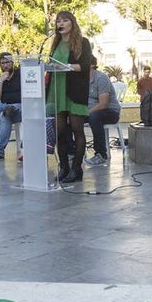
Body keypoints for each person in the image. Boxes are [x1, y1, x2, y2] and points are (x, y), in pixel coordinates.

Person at [48, 10, 93, 183]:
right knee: (60, 132)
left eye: (65, 20)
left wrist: (67, 66)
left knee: (77, 130)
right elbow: (52, 63)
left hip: (75, 91)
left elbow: (85, 65)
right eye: (58, 21)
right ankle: (64, 167)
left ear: (72, 23)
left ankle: (76, 169)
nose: (61, 23)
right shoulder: (55, 43)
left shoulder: (83, 42)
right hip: (57, 91)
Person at [83, 65, 122, 166]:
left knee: (94, 117)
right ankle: (72, 151)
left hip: (110, 111)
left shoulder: (101, 78)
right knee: (70, 118)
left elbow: (103, 104)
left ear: (91, 65)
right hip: (91, 111)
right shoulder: (81, 79)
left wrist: (86, 113)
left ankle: (101, 155)